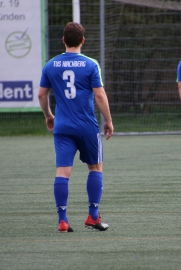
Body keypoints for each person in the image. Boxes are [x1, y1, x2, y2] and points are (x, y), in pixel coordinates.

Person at [38, 22, 114, 232]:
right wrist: (108, 120)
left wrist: (48, 115)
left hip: (62, 127)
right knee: (95, 167)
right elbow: (99, 94)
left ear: (63, 40)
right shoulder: (91, 64)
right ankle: (92, 216)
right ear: (83, 40)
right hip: (87, 127)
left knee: (62, 172)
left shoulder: (50, 65)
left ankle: (62, 220)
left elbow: (41, 94)